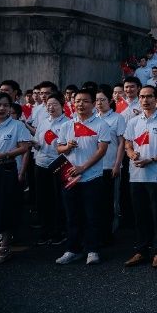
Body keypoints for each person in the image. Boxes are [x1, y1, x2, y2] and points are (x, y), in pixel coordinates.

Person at [123, 86, 157, 269]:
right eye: (142, 97)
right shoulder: (133, 122)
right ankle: (141, 250)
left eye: (149, 97)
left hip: (156, 176)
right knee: (140, 215)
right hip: (136, 176)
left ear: (156, 98)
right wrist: (131, 154)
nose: (145, 100)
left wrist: (152, 160)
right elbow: (128, 145)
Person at [55, 88, 110, 265]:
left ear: (93, 104)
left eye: (85, 101)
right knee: (72, 215)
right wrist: (67, 147)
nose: (80, 104)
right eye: (77, 101)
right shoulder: (67, 125)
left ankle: (92, 250)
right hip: (70, 178)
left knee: (92, 215)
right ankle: (73, 250)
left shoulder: (101, 125)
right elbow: (59, 148)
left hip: (92, 177)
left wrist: (83, 168)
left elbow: (102, 151)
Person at [0, 92, 32, 264]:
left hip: (6, 168)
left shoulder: (17, 125)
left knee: (5, 206)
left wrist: (5, 154)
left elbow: (24, 147)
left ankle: (5, 244)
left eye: (5, 105)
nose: (1, 108)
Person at [31, 92, 68, 246]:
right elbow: (38, 142)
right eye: (48, 105)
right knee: (42, 199)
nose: (51, 107)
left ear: (62, 105)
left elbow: (67, 147)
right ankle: (45, 231)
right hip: (41, 164)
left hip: (58, 165)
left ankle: (58, 231)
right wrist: (35, 144)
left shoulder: (68, 123)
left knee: (58, 199)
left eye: (55, 104)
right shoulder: (43, 122)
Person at [95, 87, 126, 246]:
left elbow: (122, 143)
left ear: (110, 100)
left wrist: (117, 164)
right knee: (96, 202)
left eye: (102, 100)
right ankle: (97, 233)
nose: (99, 103)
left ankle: (109, 234)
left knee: (110, 202)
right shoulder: (92, 118)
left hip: (110, 165)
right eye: (97, 100)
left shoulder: (117, 118)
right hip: (93, 167)